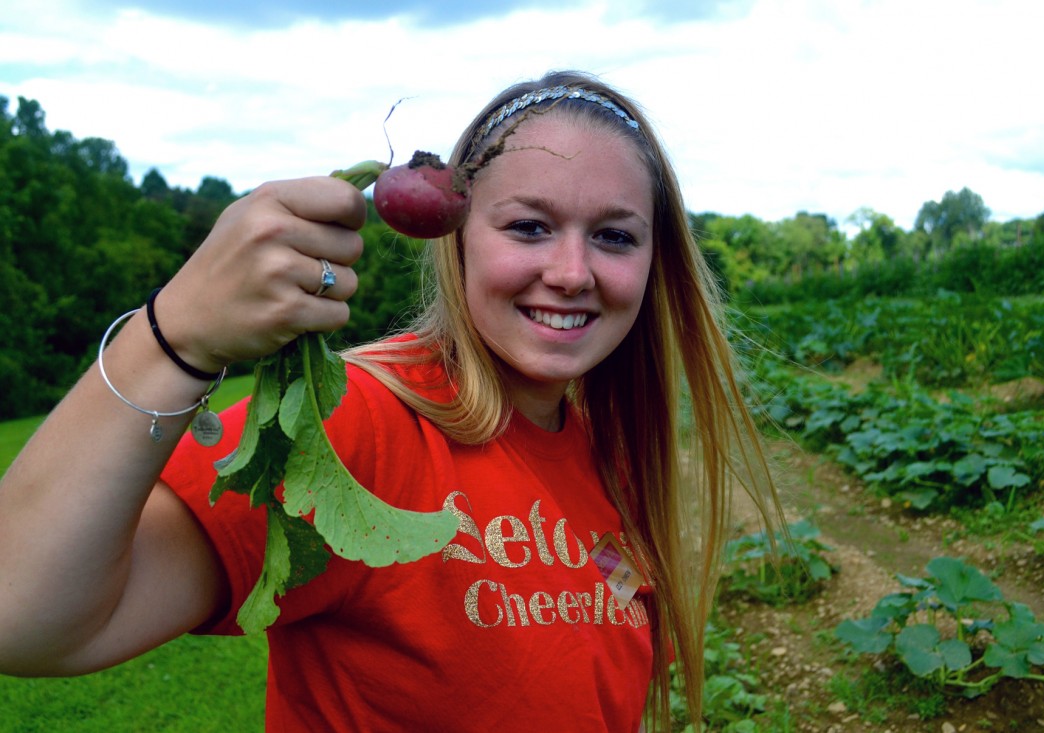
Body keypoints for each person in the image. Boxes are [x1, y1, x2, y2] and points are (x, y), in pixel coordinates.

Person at [0, 70, 781, 731]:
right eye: (531, 225)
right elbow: (22, 614)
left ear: (654, 261)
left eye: (615, 236)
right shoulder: (364, 422)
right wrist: (175, 337)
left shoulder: (607, 450)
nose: (573, 271)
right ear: (457, 236)